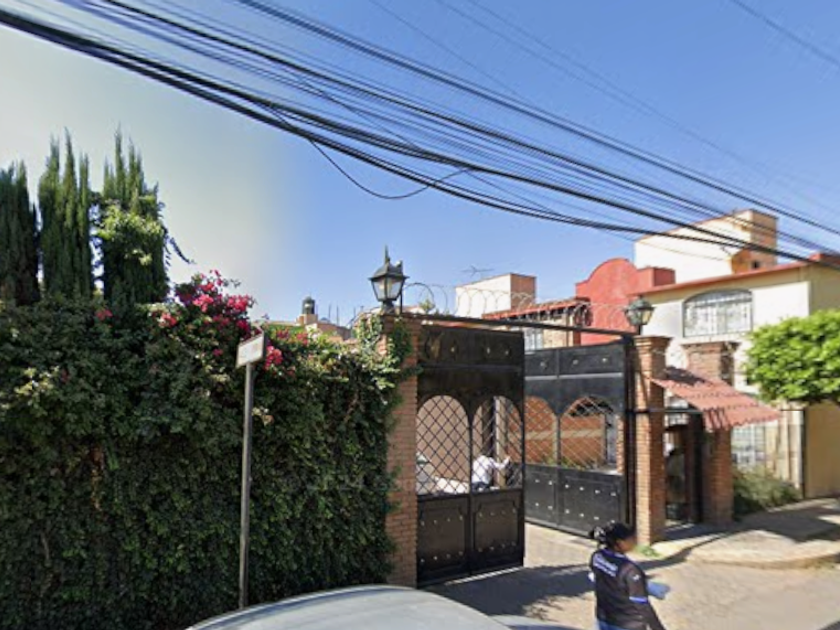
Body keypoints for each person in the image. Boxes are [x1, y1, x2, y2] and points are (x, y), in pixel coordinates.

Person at [588, 522, 667, 630]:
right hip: (628, 624)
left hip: (603, 618)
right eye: (631, 538)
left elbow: (601, 577)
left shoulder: (597, 556)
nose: (634, 541)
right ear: (619, 542)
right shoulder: (631, 570)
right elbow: (642, 605)